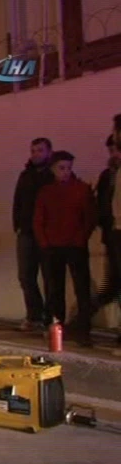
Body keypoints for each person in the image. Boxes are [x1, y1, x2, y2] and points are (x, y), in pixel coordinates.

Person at [33, 151, 96, 346]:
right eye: (61, 168)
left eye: (68, 168)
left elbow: (89, 218)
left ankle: (83, 329)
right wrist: (45, 243)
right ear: (53, 169)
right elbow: (39, 219)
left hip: (75, 246)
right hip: (53, 247)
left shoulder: (81, 189)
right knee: (55, 289)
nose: (66, 172)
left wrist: (80, 238)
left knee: (82, 288)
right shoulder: (46, 192)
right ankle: (56, 325)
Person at [12, 137, 54, 332]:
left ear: (48, 152)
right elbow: (18, 201)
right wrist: (18, 226)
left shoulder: (53, 175)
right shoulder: (25, 175)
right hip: (26, 232)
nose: (36, 154)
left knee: (49, 276)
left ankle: (51, 317)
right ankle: (34, 315)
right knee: (26, 276)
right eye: (33, 150)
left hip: (47, 233)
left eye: (40, 150)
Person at [94, 134, 121, 331]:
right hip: (113, 235)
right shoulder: (108, 175)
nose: (113, 154)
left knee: (113, 285)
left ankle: (81, 320)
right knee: (113, 284)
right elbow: (102, 204)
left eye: (115, 150)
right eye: (111, 151)